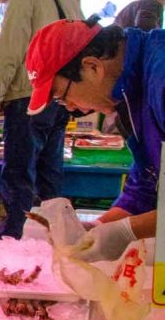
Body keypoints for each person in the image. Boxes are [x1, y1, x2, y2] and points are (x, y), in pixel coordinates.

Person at [26, 17, 163, 262]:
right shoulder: (126, 95)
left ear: (92, 67)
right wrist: (97, 228)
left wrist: (126, 231)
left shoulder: (160, 78)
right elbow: (146, 180)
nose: (69, 107)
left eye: (61, 96)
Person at [0, 0, 83, 238]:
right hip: (62, 97)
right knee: (50, 172)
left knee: (19, 173)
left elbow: (11, 49)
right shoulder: (69, 0)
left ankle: (16, 238)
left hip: (30, 97)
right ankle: (52, 236)